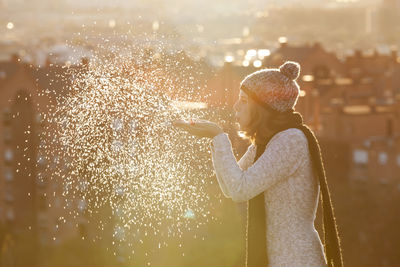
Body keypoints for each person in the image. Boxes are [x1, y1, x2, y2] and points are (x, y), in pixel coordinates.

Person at [173, 61, 343, 267]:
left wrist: (218, 136)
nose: (236, 106)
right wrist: (214, 138)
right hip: (278, 258)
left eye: (243, 101)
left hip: (297, 259)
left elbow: (240, 189)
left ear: (262, 107)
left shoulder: (290, 140)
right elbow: (230, 186)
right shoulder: (267, 143)